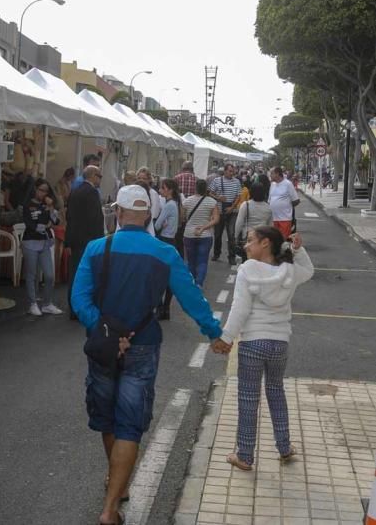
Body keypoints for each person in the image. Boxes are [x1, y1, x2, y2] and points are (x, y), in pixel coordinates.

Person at [71, 185, 225, 525]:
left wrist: (109, 333)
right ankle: (111, 507)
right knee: (130, 423)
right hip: (144, 344)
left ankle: (116, 481)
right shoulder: (164, 252)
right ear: (148, 215)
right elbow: (190, 297)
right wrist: (214, 332)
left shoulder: (96, 248)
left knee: (108, 417)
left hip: (103, 348)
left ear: (119, 213)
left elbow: (79, 300)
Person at [215, 226, 313, 470]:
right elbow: (309, 271)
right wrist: (298, 251)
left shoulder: (248, 270)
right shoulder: (289, 271)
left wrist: (226, 338)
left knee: (248, 399)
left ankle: (245, 456)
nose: (246, 246)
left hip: (253, 342)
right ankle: (284, 447)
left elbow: (240, 308)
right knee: (276, 392)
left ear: (266, 243)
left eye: (250, 241)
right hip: (280, 342)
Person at [66, 165, 104, 319]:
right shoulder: (92, 193)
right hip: (89, 241)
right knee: (88, 275)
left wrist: (68, 242)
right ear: (92, 176)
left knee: (75, 274)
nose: (101, 179)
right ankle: (83, 308)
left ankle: (73, 308)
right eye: (99, 176)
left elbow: (70, 218)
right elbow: (96, 219)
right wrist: (100, 241)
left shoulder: (75, 191)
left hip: (76, 240)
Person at [22, 178, 63, 316]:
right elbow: (30, 224)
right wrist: (44, 226)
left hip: (45, 242)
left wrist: (51, 208)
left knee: (50, 275)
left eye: (46, 191)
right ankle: (32, 303)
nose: (43, 193)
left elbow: (56, 221)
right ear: (35, 189)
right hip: (30, 242)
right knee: (32, 274)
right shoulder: (28, 204)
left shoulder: (47, 205)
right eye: (41, 190)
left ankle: (47, 303)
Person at [182, 179, 219, 287]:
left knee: (190, 260)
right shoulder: (212, 202)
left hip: (189, 234)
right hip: (205, 235)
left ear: (195, 188)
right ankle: (199, 282)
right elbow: (216, 219)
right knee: (202, 261)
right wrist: (203, 227)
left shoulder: (187, 201)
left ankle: (192, 281)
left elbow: (182, 218)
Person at [154, 178, 182, 319]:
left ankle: (160, 308)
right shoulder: (175, 203)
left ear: (169, 190)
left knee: (158, 277)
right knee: (169, 277)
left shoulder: (168, 205)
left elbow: (157, 225)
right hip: (172, 241)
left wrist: (162, 223)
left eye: (162, 188)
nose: (160, 191)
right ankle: (166, 308)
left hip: (164, 240)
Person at [209, 162, 242, 265]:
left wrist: (232, 207)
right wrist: (218, 198)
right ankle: (216, 253)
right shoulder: (217, 181)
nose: (232, 173)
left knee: (231, 234)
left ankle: (231, 256)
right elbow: (210, 192)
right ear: (225, 171)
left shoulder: (236, 182)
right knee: (217, 234)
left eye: (233, 171)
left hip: (231, 212)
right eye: (230, 171)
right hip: (219, 211)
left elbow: (238, 196)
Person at [234, 183, 273, 262]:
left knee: (247, 261)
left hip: (248, 237)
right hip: (263, 237)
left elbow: (239, 223)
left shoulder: (246, 205)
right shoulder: (268, 207)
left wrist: (235, 236)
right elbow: (271, 225)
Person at [268, 166, 300, 239]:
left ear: (277, 174)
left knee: (284, 240)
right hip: (274, 218)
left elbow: (296, 200)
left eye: (272, 173)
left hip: (285, 218)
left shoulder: (288, 184)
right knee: (276, 241)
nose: (270, 175)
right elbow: (270, 200)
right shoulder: (272, 185)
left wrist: (287, 207)